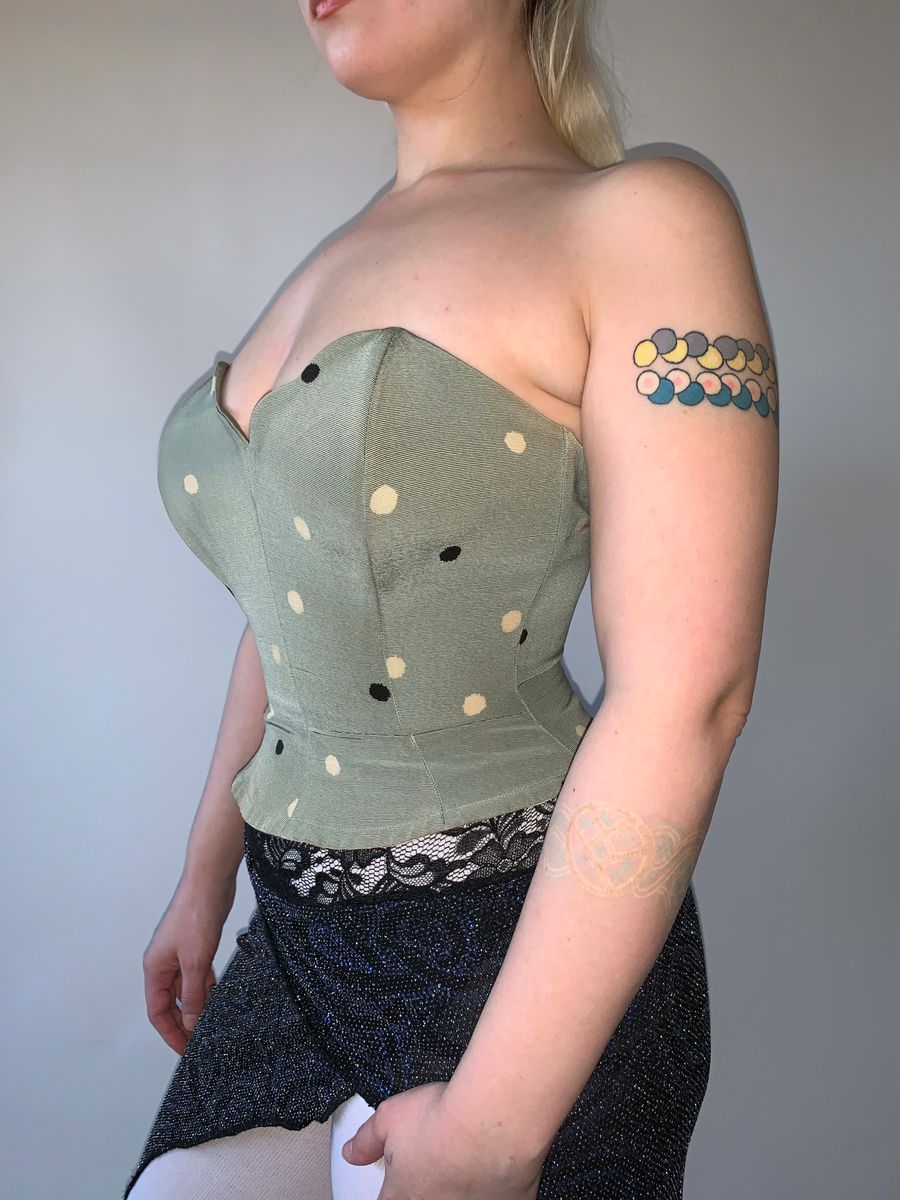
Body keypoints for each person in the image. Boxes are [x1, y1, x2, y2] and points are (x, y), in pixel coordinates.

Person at [124, 0, 779, 1196]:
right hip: (292, 935)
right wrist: (204, 872)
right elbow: (294, 608)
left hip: (514, 951)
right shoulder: (339, 251)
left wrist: (494, 1127)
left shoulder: (644, 221)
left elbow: (691, 692)